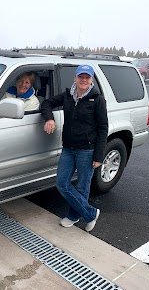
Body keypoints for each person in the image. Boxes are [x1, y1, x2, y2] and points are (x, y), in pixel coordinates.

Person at [41, 64, 108, 232]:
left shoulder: (97, 99)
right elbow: (47, 103)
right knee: (62, 183)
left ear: (91, 79)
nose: (83, 80)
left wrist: (99, 155)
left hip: (87, 150)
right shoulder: (68, 96)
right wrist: (49, 119)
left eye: (87, 77)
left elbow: (103, 128)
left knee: (82, 186)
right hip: (69, 148)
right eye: (81, 77)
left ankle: (73, 215)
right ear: (75, 78)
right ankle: (91, 213)